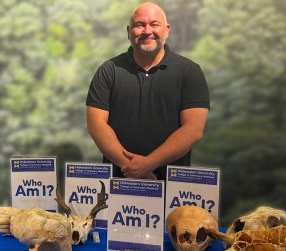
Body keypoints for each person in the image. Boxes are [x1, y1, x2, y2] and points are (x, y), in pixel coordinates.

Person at [86, 2, 209, 181]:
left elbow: (193, 129)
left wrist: (148, 164)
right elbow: (96, 125)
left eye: (154, 24)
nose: (147, 30)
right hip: (119, 181)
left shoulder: (189, 72)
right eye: (139, 25)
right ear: (129, 31)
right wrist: (130, 167)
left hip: (173, 185)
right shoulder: (108, 70)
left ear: (166, 29)